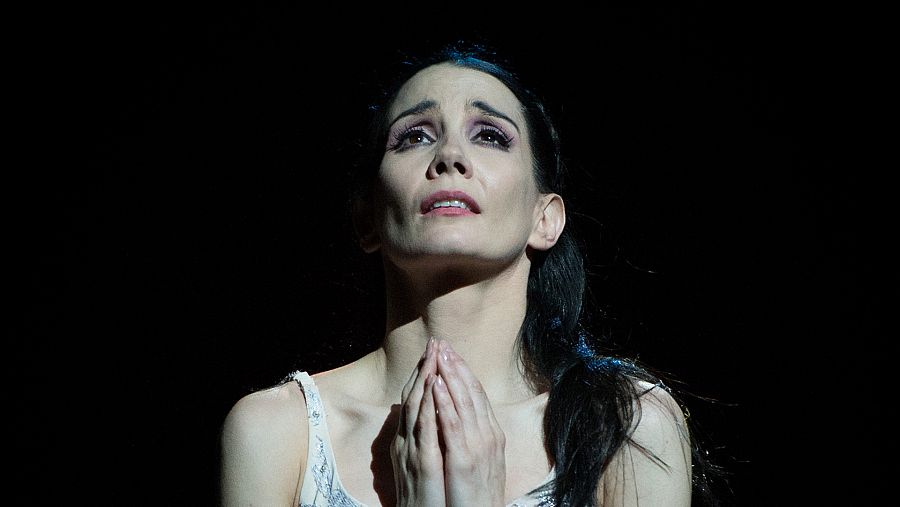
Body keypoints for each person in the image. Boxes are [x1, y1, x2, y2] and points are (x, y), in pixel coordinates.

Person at [219, 41, 720, 506]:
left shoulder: (625, 426)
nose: (450, 157)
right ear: (366, 219)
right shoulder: (277, 431)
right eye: (415, 136)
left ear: (544, 219)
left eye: (490, 136)